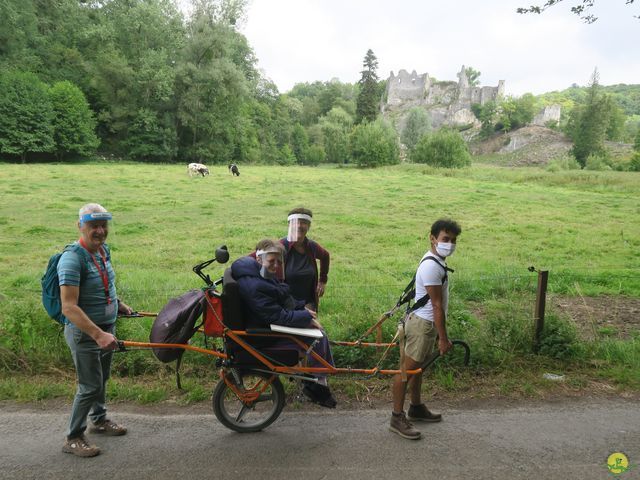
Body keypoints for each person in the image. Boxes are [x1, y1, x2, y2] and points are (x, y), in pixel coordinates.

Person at [58, 203, 133, 457]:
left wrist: (118, 304)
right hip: (86, 334)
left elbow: (104, 284)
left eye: (103, 225)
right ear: (80, 226)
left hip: (106, 328)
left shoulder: (103, 251)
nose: (100, 231)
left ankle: (99, 420)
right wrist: (98, 335)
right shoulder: (71, 258)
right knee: (89, 386)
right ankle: (73, 436)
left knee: (101, 380)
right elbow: (68, 307)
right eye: (94, 226)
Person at [232, 239, 337, 408]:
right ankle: (317, 385)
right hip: (265, 335)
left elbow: (280, 295)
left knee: (319, 332)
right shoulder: (255, 285)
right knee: (319, 337)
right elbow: (277, 316)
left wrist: (302, 309)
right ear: (259, 259)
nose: (275, 266)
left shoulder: (258, 274)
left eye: (279, 262)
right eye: (271, 261)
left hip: (267, 324)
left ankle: (319, 379)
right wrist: (305, 317)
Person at [389, 218, 462, 440]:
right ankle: (396, 416)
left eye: (453, 240)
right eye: (445, 239)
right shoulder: (432, 265)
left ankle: (416, 407)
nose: (450, 244)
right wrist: (443, 338)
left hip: (424, 324)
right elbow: (437, 305)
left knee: (416, 369)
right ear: (433, 238)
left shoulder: (435, 260)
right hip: (423, 326)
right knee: (406, 372)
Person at [280, 207, 330, 311]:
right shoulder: (281, 246)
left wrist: (322, 281)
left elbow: (325, 256)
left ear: (309, 226)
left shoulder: (312, 247)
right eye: (295, 222)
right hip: (285, 306)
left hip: (309, 304)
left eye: (303, 222)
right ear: (289, 225)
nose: (299, 226)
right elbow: (258, 256)